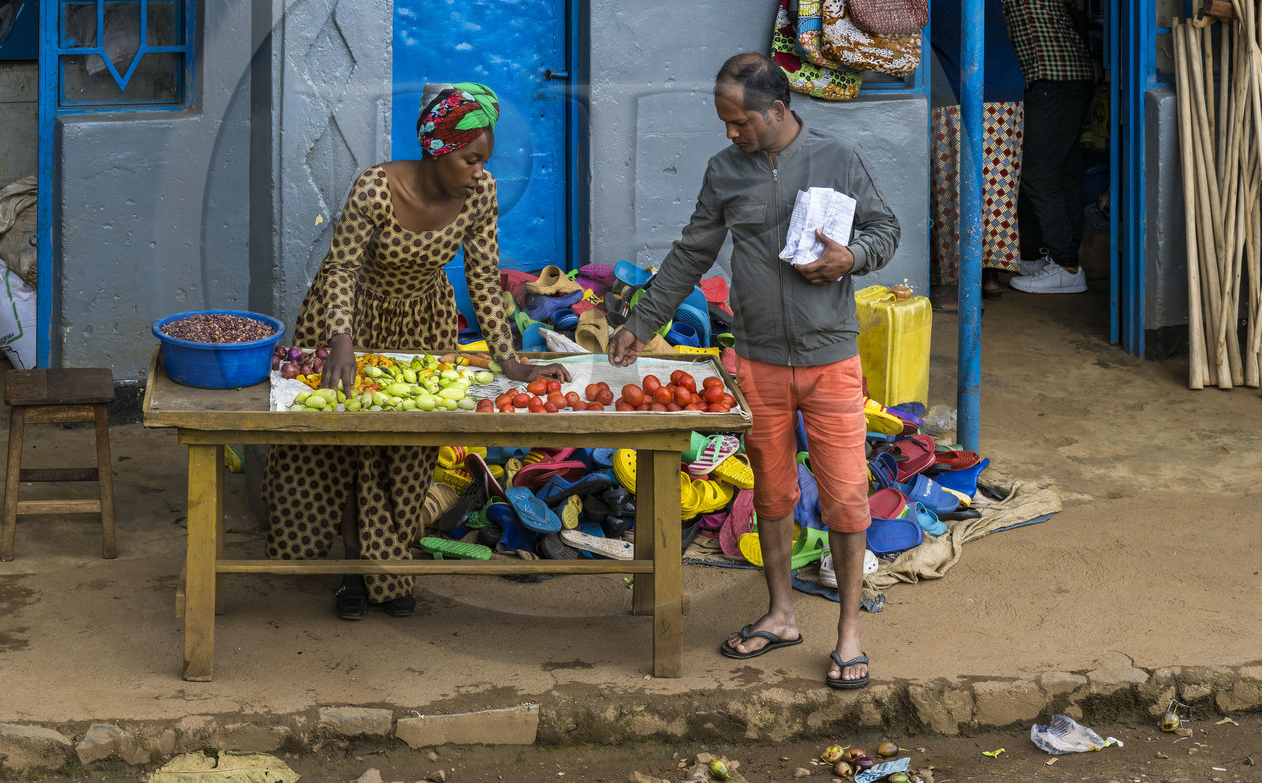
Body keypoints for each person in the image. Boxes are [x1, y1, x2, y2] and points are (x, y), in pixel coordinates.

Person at [609, 53, 899, 690]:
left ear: (777, 110)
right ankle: (781, 614)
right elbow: (693, 251)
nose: (731, 132)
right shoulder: (725, 170)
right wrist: (641, 320)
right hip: (758, 361)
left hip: (831, 359)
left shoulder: (838, 157)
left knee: (846, 497)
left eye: (740, 122)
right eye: (725, 122)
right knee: (771, 493)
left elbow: (886, 230)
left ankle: (850, 633)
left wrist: (851, 258)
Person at [262, 83, 566, 620]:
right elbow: (342, 268)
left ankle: (390, 568)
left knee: (405, 451)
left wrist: (509, 358)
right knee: (346, 447)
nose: (479, 171)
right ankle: (354, 570)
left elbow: (482, 275)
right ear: (436, 149)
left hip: (423, 323)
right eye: (470, 160)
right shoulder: (375, 189)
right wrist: (340, 343)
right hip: (349, 318)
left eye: (484, 161)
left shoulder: (480, 192)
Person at [986, 0, 1095, 294]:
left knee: (1037, 171)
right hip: (1066, 74)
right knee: (1063, 170)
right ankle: (1061, 257)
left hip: (1054, 74)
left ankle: (1066, 265)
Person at [927, 0, 1028, 313]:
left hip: (958, 88)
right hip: (1003, 87)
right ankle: (989, 278)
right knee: (997, 190)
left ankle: (960, 287)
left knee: (956, 188)